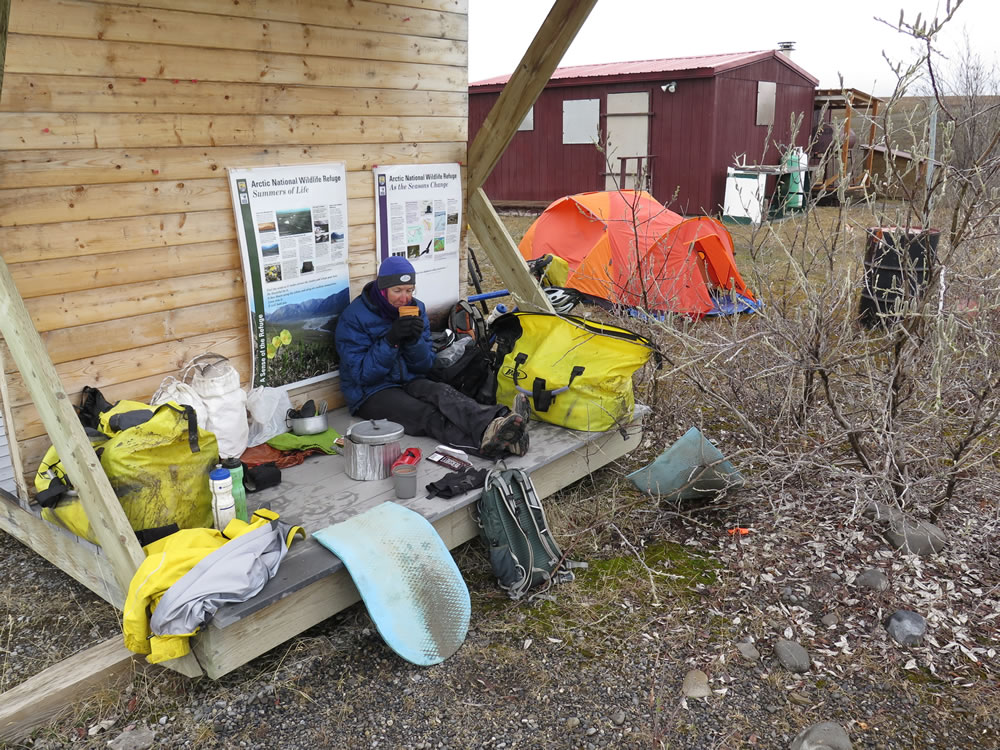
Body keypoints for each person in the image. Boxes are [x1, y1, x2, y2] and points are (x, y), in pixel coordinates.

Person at [335, 256, 529, 457]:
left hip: (409, 379)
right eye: (397, 291)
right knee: (424, 413)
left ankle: (497, 425)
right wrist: (391, 340)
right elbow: (362, 375)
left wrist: (414, 340)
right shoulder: (354, 317)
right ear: (382, 290)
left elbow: (424, 365)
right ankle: (491, 445)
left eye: (409, 290)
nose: (404, 298)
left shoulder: (416, 308)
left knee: (443, 393)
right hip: (370, 393)